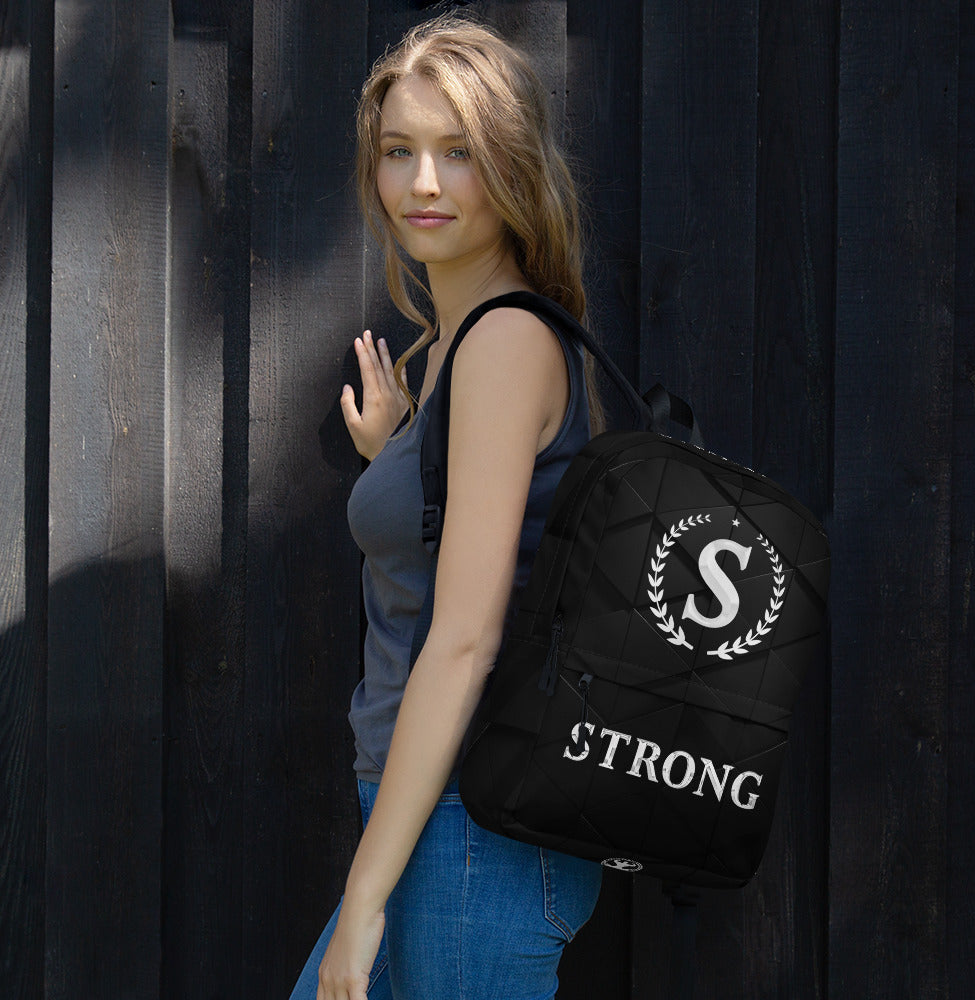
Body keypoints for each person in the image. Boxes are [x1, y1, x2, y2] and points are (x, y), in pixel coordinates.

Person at [289, 14, 604, 1000]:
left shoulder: (504, 344)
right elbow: (461, 550)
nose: (422, 182)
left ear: (511, 166)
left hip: (474, 830)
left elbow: (466, 640)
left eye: (458, 152)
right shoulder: (454, 349)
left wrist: (365, 897)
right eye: (399, 152)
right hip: (434, 821)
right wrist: (399, 458)